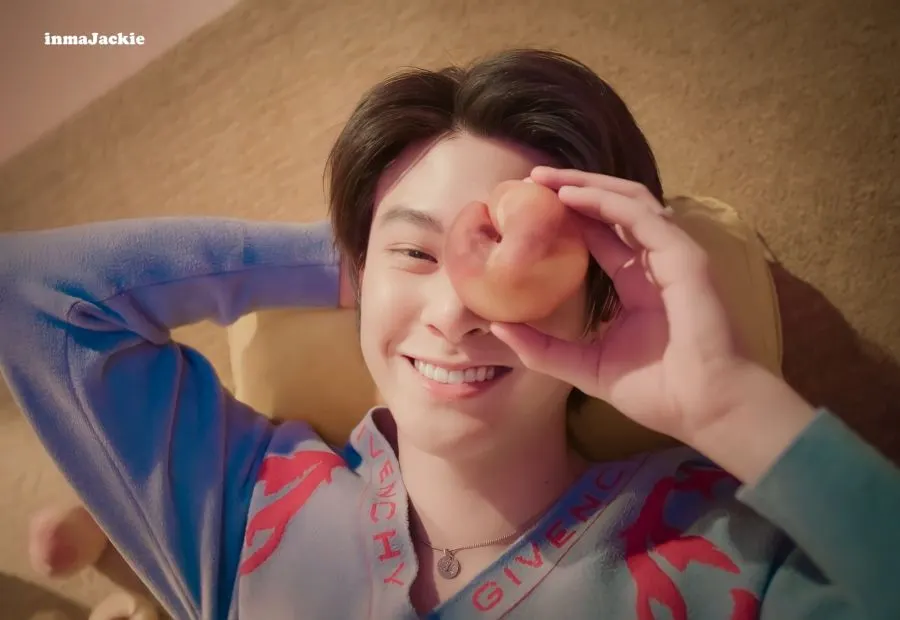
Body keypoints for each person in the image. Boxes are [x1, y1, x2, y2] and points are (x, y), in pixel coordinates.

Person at [1, 48, 898, 620]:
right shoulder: (244, 505)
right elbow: (35, 293)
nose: (457, 310)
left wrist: (729, 402)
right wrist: (366, 249)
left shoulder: (727, 552)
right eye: (415, 256)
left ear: (602, 297)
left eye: (513, 263)